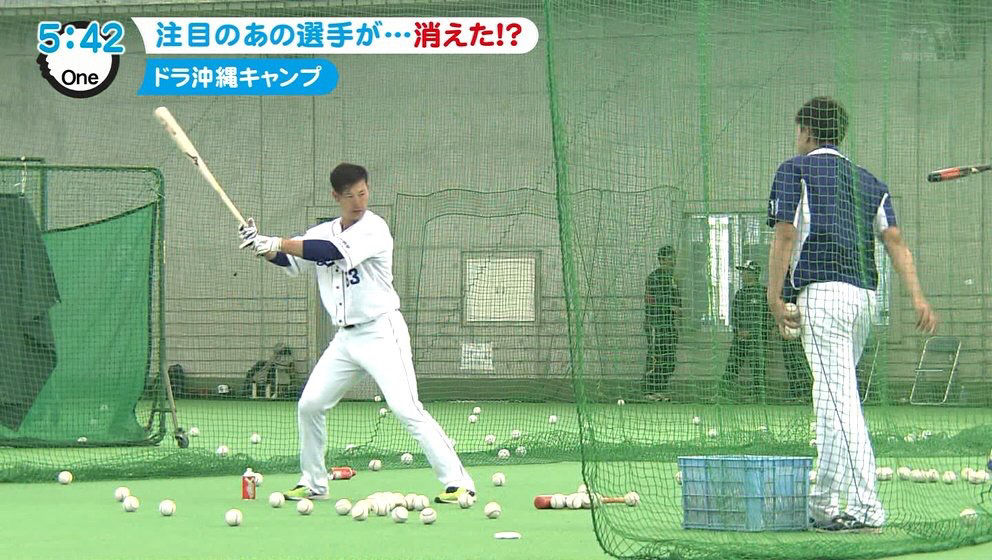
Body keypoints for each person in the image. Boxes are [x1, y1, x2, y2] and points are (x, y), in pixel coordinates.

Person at [239, 163, 475, 504]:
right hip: (345, 340)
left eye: (362, 193)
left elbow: (330, 252)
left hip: (381, 332)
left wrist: (275, 240)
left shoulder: (374, 228)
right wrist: (261, 247)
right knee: (310, 405)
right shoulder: (321, 231)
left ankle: (459, 483)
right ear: (336, 196)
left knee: (407, 408)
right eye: (350, 196)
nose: (358, 202)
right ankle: (314, 482)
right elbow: (290, 261)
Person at [766, 97, 937, 531]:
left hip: (823, 297)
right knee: (830, 399)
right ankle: (823, 504)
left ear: (807, 131)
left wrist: (773, 296)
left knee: (840, 402)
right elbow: (895, 242)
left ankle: (866, 507)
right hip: (863, 301)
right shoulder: (870, 181)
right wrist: (917, 296)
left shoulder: (794, 169)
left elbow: (785, 234)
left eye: (798, 130)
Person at [721, 260, 772, 403]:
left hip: (758, 337)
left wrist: (757, 331)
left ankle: (757, 395)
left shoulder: (763, 293)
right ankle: (724, 392)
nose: (743, 274)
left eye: (746, 271)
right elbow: (735, 315)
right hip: (741, 337)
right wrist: (739, 331)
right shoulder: (740, 294)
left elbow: (768, 316)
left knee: (757, 366)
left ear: (753, 273)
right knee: (733, 363)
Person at [644, 245, 682, 401]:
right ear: (661, 260)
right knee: (656, 357)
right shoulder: (654, 278)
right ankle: (649, 391)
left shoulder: (672, 278)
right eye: (669, 258)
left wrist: (678, 309)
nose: (673, 261)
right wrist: (669, 307)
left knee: (669, 359)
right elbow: (653, 301)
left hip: (669, 324)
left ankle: (661, 389)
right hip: (656, 323)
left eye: (674, 258)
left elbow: (676, 299)